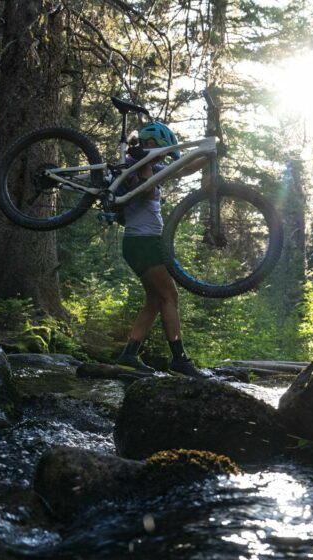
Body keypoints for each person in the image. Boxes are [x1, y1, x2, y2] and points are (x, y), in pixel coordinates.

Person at [115, 121, 204, 378]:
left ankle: (129, 354)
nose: (165, 157)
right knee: (169, 296)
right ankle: (179, 359)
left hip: (143, 243)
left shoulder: (152, 166)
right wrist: (145, 167)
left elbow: (184, 169)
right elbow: (142, 192)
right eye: (162, 151)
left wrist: (209, 155)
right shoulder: (133, 168)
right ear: (151, 146)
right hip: (142, 243)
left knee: (155, 299)